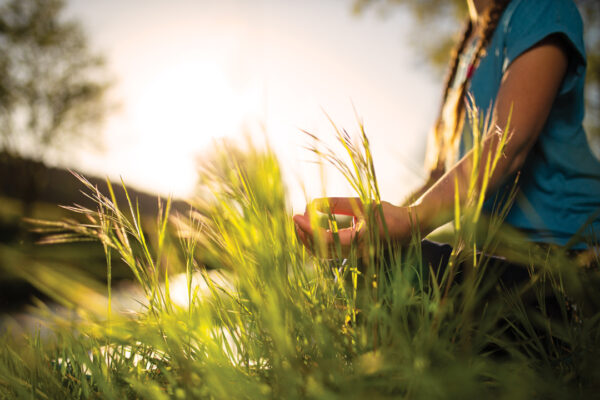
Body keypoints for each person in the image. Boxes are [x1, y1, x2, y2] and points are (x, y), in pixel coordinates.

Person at [293, 0, 600, 276]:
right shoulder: (469, 50)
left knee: (390, 271)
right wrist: (376, 228)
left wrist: (412, 221)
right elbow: (435, 182)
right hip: (493, 261)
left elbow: (507, 142)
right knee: (366, 265)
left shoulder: (541, 7)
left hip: (567, 258)